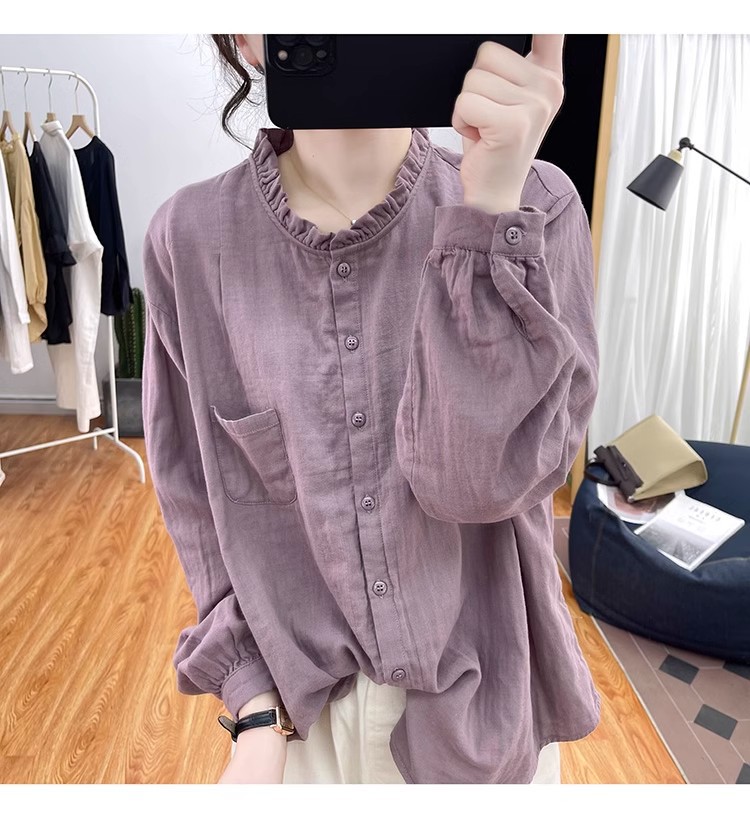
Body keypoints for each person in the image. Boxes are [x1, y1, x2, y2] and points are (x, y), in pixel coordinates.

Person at [141, 33, 601, 785]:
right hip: (298, 731)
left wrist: (488, 211)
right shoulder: (187, 241)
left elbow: (477, 486)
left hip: (486, 725)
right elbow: (198, 503)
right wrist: (253, 708)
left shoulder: (538, 208)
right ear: (240, 35)